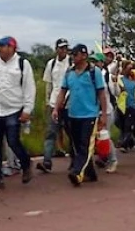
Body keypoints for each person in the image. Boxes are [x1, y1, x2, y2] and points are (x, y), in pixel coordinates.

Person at [0, 36, 35, 189]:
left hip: (13, 110)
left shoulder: (22, 64)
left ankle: (26, 163)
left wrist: (27, 109)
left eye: (2, 46)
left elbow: (29, 88)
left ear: (11, 47)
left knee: (13, 142)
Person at [52, 44, 108, 186]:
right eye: (72, 54)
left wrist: (104, 115)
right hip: (73, 114)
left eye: (75, 54)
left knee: (85, 145)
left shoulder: (93, 72)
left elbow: (102, 94)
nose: (73, 57)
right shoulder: (69, 72)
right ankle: (90, 173)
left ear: (84, 55)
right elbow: (62, 92)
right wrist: (56, 109)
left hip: (89, 114)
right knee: (76, 145)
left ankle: (77, 172)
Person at [39, 38, 71, 173]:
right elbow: (49, 85)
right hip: (54, 103)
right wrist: (47, 102)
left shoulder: (71, 63)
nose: (63, 50)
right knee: (51, 132)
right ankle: (47, 161)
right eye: (61, 48)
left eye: (65, 48)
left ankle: (77, 160)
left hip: (69, 103)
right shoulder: (51, 64)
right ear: (56, 49)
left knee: (72, 133)